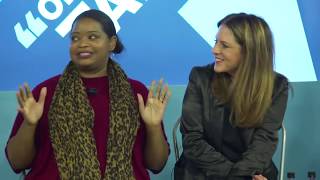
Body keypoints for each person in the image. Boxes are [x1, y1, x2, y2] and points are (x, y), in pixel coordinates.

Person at [5, 9, 171, 180]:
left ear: (112, 42)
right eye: (75, 38)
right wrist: (29, 124)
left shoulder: (137, 93)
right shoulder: (44, 93)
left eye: (92, 37)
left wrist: (153, 127)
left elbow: (156, 165)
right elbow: (17, 163)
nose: (82, 43)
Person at [174, 13, 289, 180]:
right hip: (201, 172)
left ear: (249, 51)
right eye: (216, 42)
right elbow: (192, 141)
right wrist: (236, 177)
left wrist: (242, 175)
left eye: (224, 45)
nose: (214, 50)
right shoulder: (200, 77)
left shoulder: (277, 86)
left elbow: (263, 143)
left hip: (252, 171)